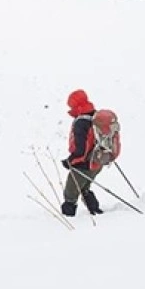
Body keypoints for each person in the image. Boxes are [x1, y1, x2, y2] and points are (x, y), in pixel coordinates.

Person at [60, 89, 104, 217]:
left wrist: (70, 161)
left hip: (84, 164)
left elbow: (81, 148)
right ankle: (96, 211)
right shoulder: (95, 116)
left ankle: (68, 221)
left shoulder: (81, 122)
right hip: (97, 162)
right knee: (84, 188)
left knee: (70, 194)